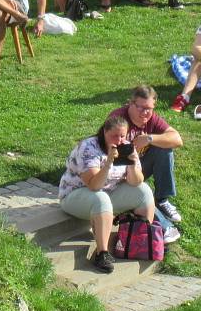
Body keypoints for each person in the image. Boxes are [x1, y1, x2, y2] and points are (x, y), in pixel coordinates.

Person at [58, 115, 155, 273]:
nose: (119, 140)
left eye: (122, 136)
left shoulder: (127, 146)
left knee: (144, 191)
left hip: (109, 194)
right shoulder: (88, 147)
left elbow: (136, 181)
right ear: (104, 132)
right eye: (114, 136)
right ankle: (102, 253)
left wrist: (130, 163)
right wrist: (109, 162)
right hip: (75, 196)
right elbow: (94, 185)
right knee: (101, 198)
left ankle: (141, 241)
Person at [109, 86, 184, 226]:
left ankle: (162, 200)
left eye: (149, 108)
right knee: (139, 191)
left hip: (138, 167)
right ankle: (160, 226)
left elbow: (177, 140)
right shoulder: (118, 119)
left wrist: (149, 139)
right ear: (131, 103)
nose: (145, 113)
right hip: (117, 171)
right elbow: (110, 152)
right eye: (140, 108)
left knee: (165, 149)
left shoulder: (152, 119)